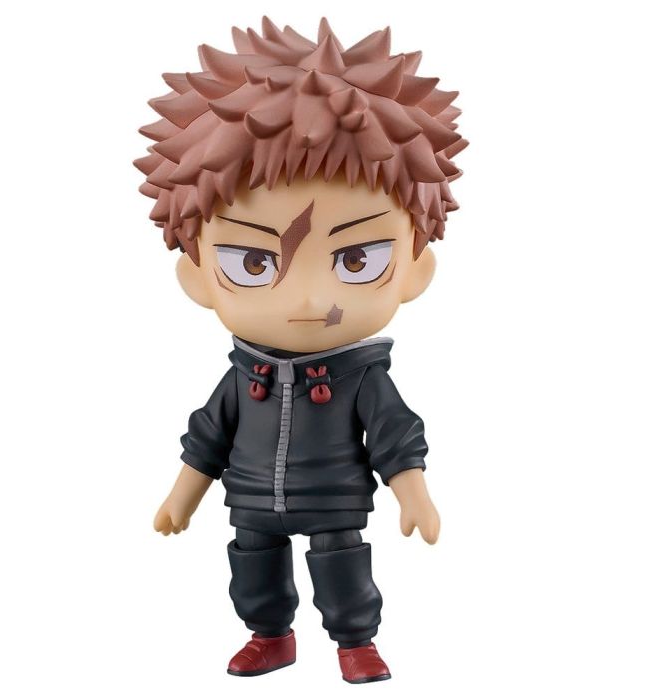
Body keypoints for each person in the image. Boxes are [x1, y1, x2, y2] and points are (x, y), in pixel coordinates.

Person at [135, 15, 467, 684]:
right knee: (251, 561)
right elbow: (208, 436)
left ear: (414, 269)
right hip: (251, 498)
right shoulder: (241, 376)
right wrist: (182, 496)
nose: (310, 299)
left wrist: (414, 494)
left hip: (335, 499)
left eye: (357, 259)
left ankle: (355, 640)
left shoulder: (361, 377)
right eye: (254, 263)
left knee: (342, 562)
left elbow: (394, 434)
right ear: (198, 278)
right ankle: (269, 635)